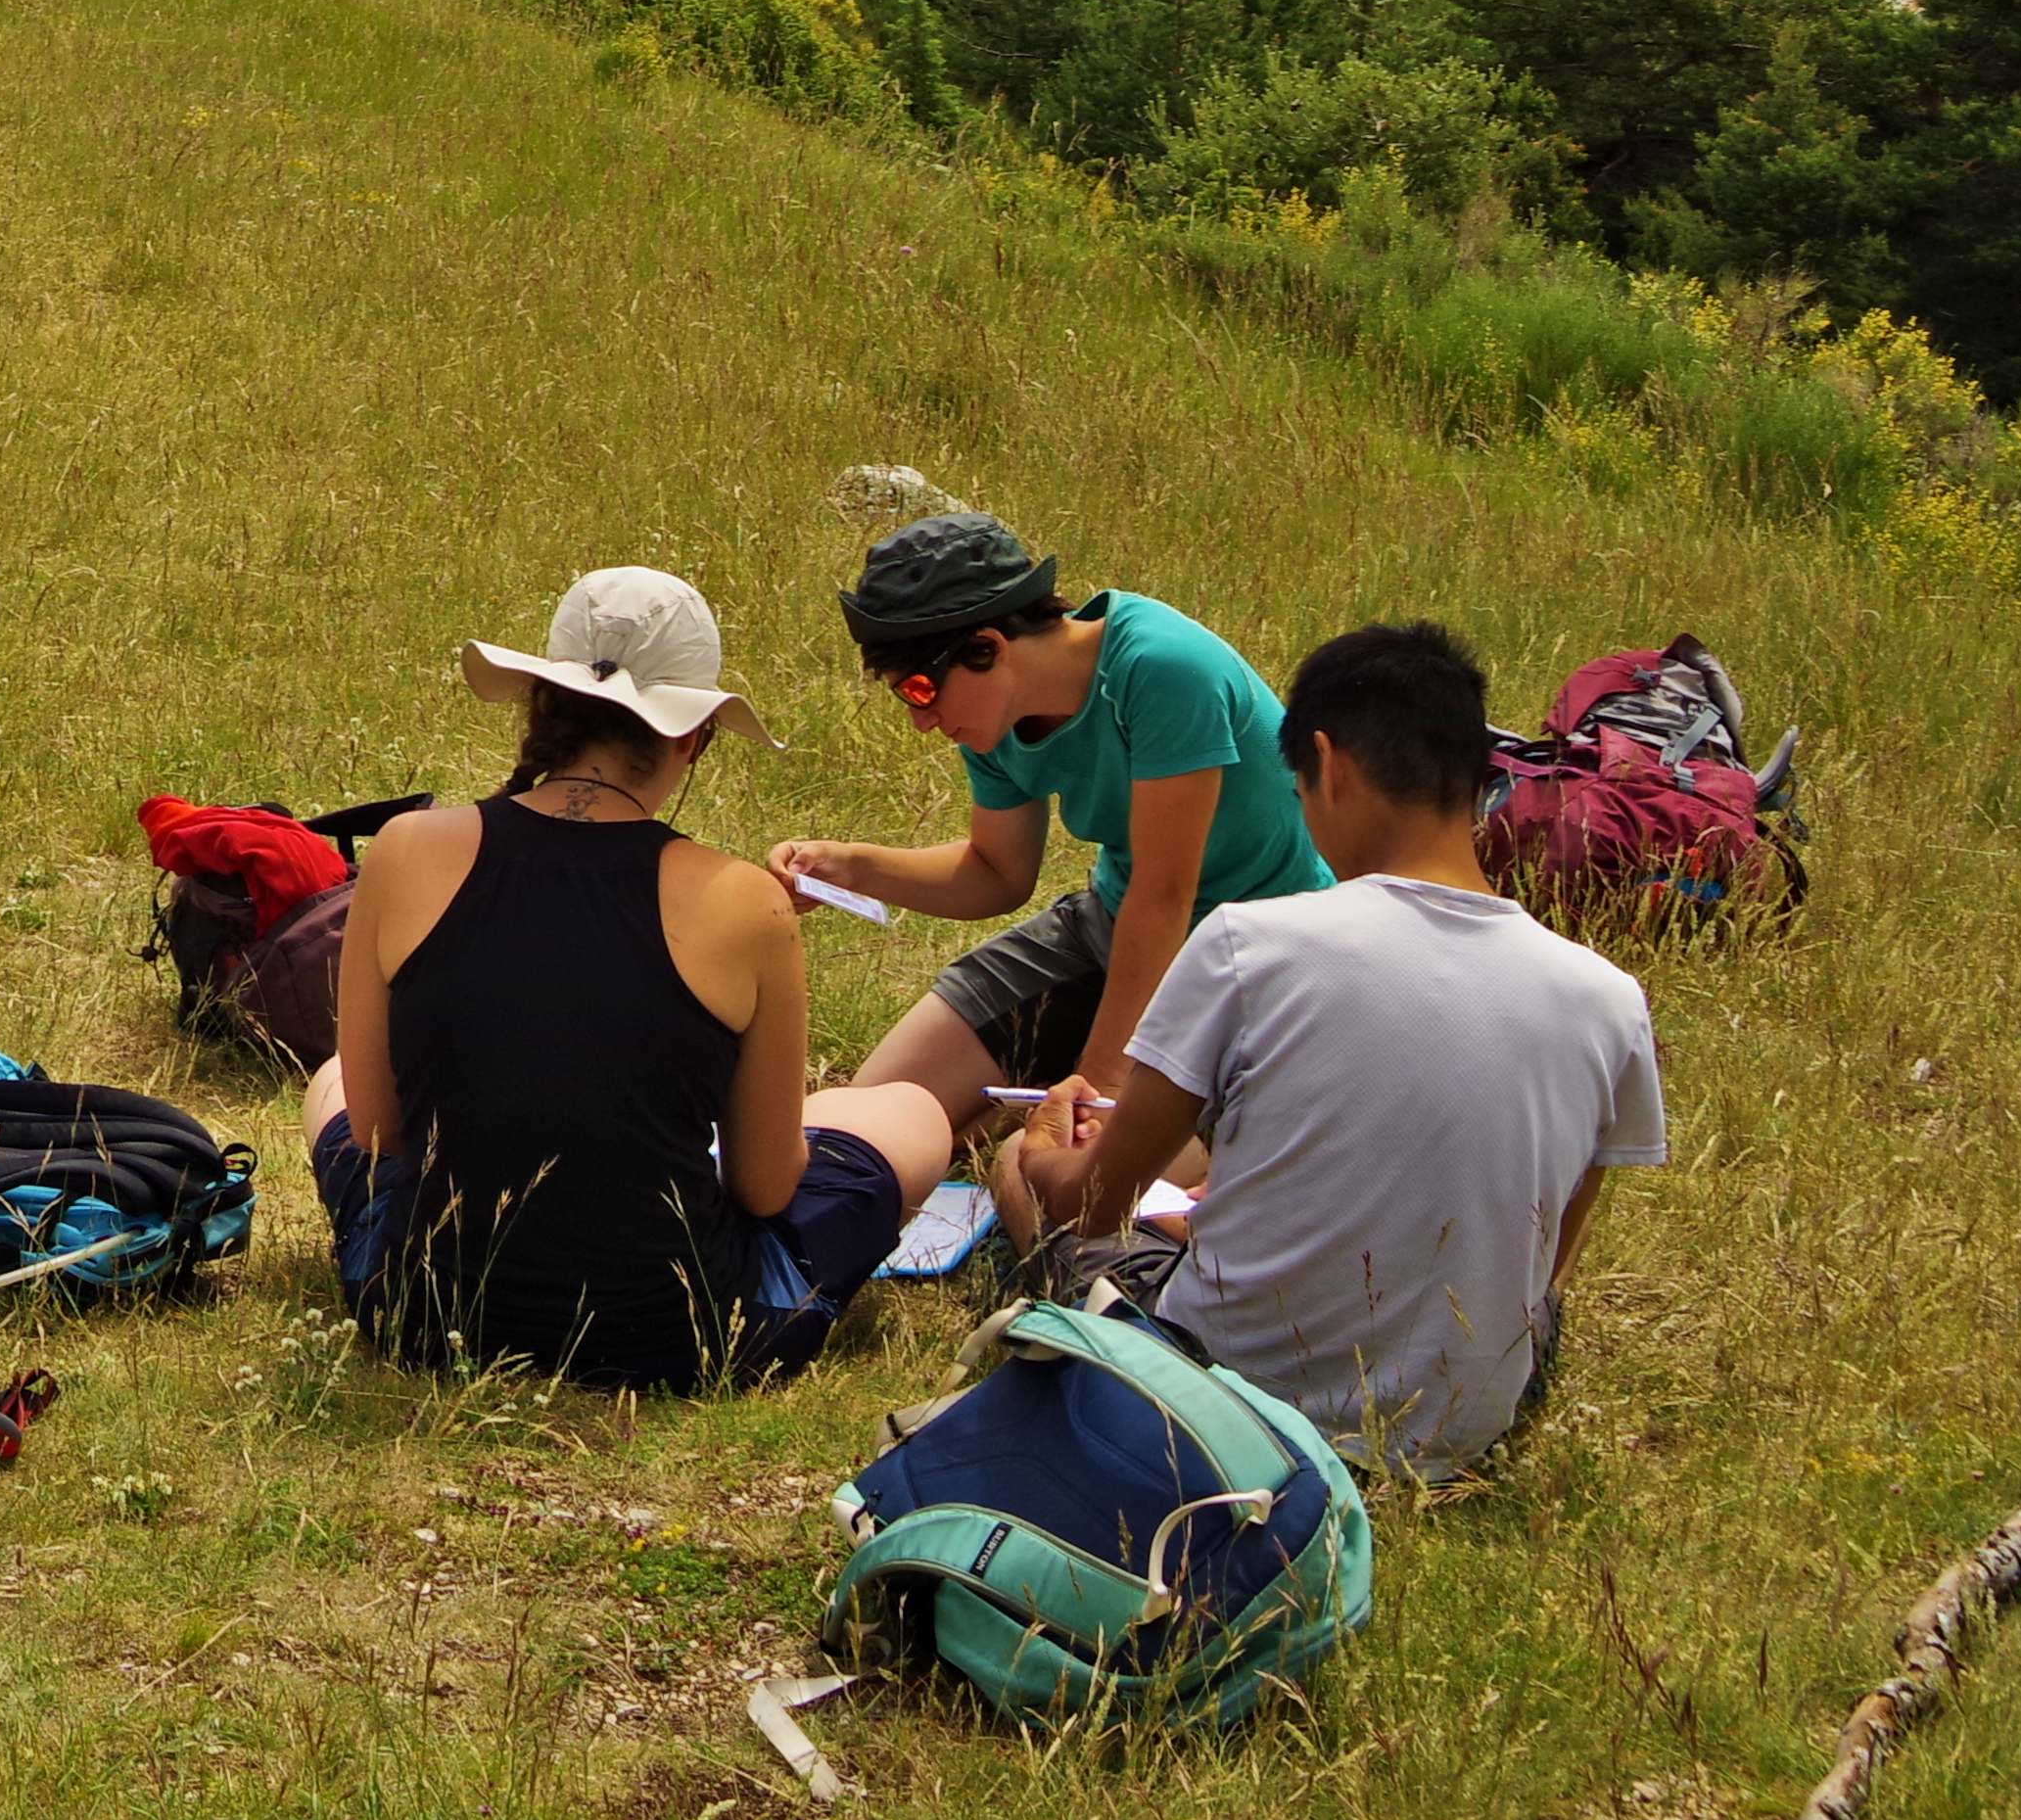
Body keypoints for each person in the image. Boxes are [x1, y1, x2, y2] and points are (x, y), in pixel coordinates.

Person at [985, 621, 1667, 1480]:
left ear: (1326, 763)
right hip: (1459, 1432)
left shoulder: (1248, 942)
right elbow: (1545, 1267)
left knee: (1015, 1159)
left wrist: (1049, 1149)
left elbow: (1095, 1208)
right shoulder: (1608, 1001)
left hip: (1220, 1396)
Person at [307, 567, 963, 1388]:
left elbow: (377, 1134)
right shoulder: (745, 903)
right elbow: (763, 1188)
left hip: (425, 1311)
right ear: (691, 735)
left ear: (539, 704)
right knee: (910, 1111)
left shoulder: (404, 849)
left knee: (329, 1080)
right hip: (681, 1333)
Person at [774, 500, 1327, 1159]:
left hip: (1257, 960)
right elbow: (996, 874)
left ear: (987, 647)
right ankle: (1019, 1100)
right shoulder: (989, 717)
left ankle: (1045, 1105)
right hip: (1115, 926)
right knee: (849, 1127)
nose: (921, 721)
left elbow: (1165, 894)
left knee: (1086, 1163)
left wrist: (1098, 1081)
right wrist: (853, 866)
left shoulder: (1164, 668)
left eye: (920, 690)